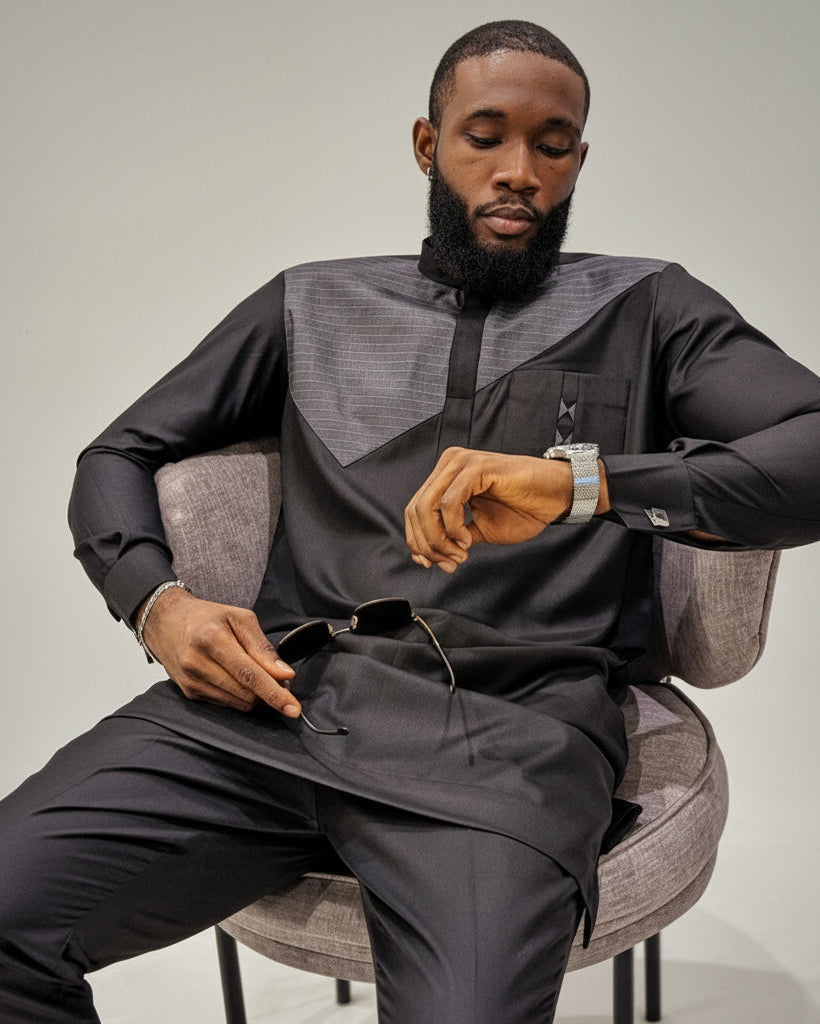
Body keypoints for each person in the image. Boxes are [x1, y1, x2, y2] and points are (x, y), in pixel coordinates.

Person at [2, 18, 820, 1024]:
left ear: (579, 157)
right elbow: (115, 454)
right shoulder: (313, 303)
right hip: (277, 705)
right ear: (429, 144)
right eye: (486, 136)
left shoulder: (649, 306)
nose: (519, 169)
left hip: (513, 734)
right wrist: (157, 605)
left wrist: (580, 482)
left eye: (552, 143)